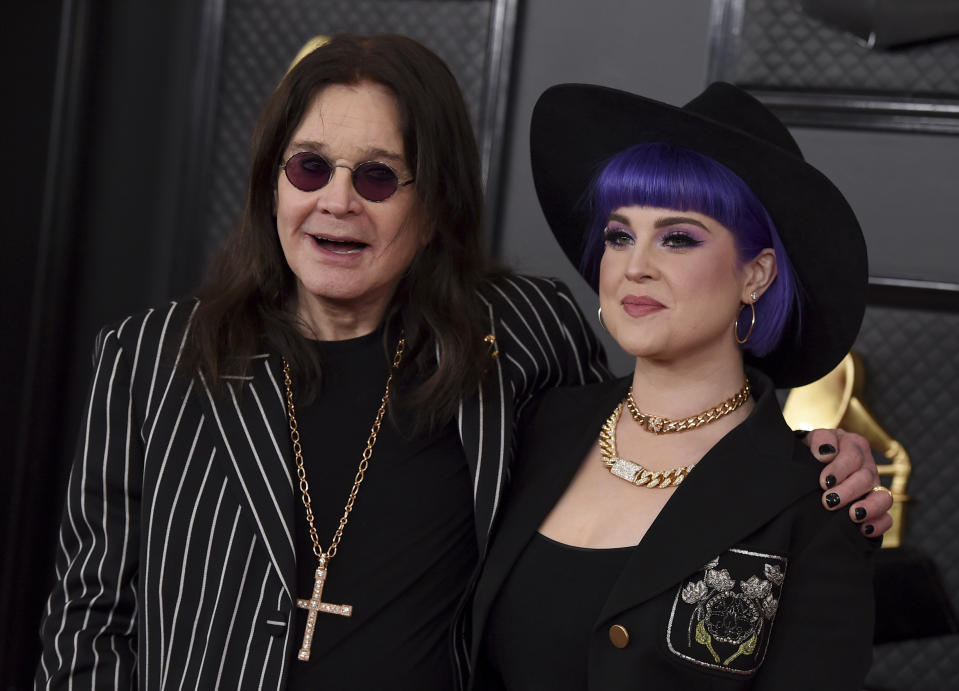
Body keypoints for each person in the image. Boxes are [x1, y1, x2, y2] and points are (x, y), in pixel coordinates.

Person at [34, 35, 887, 690]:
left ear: (434, 205)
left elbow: (664, 430)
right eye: (309, 168)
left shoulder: (515, 338)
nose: (336, 200)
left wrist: (810, 456)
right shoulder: (151, 356)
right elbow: (87, 618)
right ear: (272, 185)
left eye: (377, 177)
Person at [468, 82, 882, 689]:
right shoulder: (533, 426)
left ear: (756, 274)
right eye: (619, 235)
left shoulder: (812, 500)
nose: (636, 265)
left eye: (678, 237)